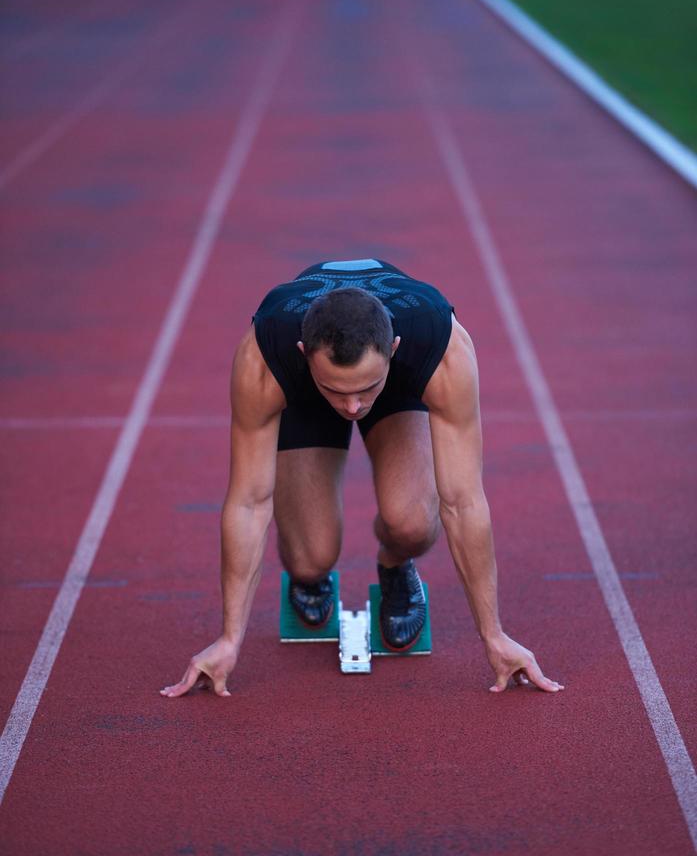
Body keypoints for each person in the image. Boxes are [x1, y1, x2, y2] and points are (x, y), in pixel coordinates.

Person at [161, 258, 564, 698]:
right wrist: (229, 638)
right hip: (305, 397)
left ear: (393, 348)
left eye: (363, 391)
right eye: (339, 391)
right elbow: (248, 501)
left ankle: (394, 565)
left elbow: (463, 502)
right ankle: (308, 576)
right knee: (311, 558)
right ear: (302, 354)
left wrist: (494, 635)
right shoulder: (266, 353)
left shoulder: (440, 345)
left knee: (412, 523)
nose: (352, 407)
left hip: (398, 386)